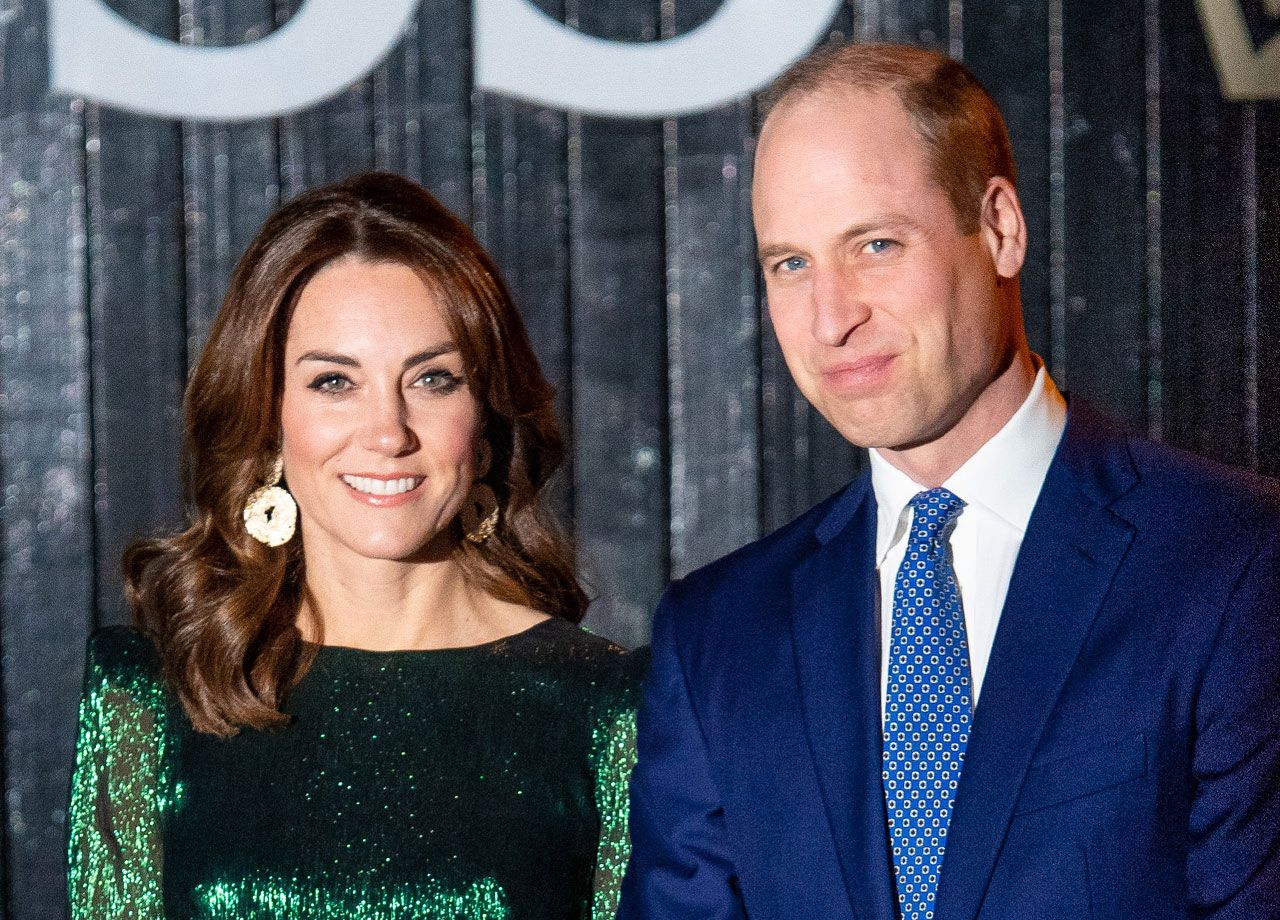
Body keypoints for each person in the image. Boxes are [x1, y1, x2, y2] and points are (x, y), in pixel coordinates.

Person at [619, 41, 1279, 920]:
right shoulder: (719, 635)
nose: (831, 319)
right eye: (791, 264)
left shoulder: (1232, 561)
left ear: (1000, 228)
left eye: (876, 245)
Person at [67, 171, 645, 920]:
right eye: (335, 383)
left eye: (433, 379)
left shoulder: (608, 704)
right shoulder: (147, 692)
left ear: (485, 418)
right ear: (268, 413)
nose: (388, 433)